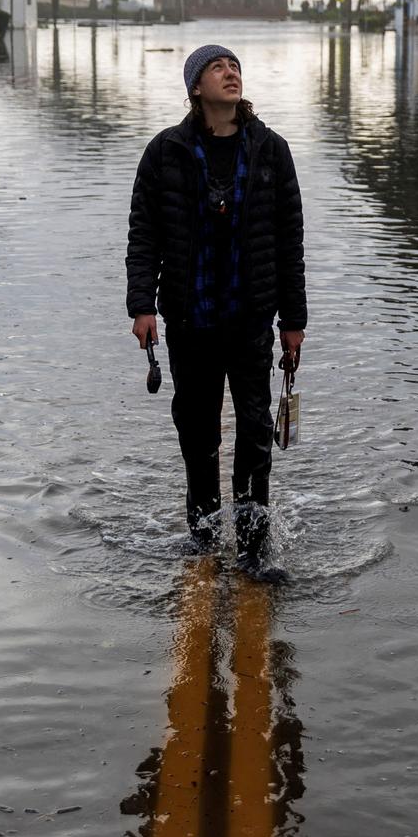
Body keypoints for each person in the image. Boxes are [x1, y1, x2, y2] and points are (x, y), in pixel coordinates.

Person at [126, 44, 306, 576]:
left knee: (253, 433)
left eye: (235, 67)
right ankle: (203, 539)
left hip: (251, 318)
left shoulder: (271, 150)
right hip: (189, 320)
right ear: (196, 89)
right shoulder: (165, 152)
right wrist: (142, 306)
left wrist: (293, 322)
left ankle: (252, 549)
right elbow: (144, 235)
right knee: (198, 431)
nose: (231, 74)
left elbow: (289, 241)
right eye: (217, 68)